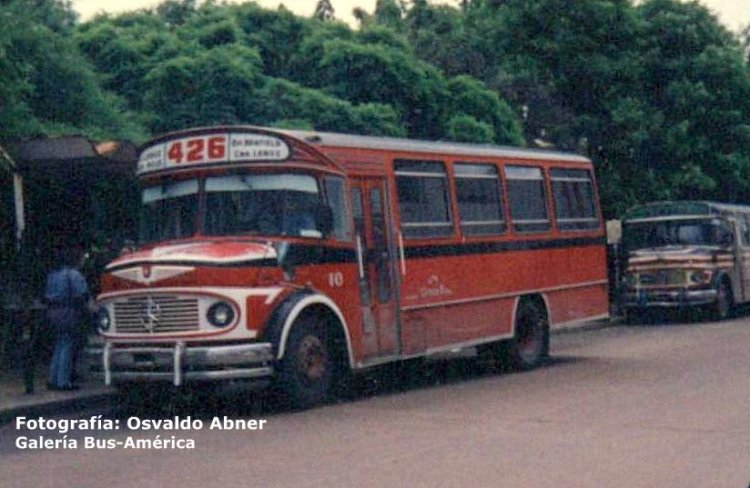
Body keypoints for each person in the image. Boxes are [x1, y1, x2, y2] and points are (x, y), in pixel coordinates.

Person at [44, 247, 90, 391]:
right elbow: (81, 295)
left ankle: (53, 378)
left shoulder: (53, 274)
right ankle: (63, 381)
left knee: (59, 344)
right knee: (67, 345)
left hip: (52, 312)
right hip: (68, 312)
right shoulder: (74, 275)